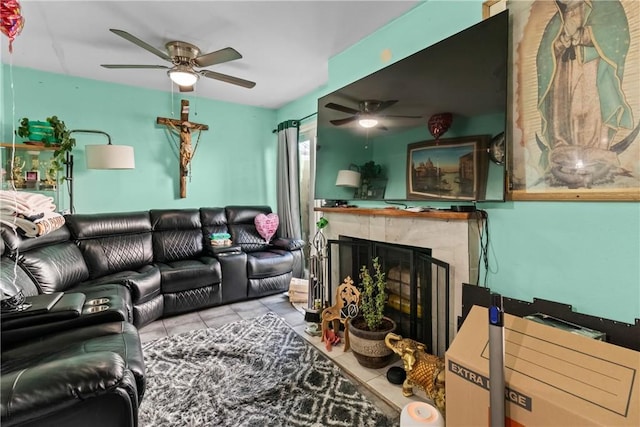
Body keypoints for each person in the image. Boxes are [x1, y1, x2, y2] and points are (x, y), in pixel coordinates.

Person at [536, 0, 634, 159]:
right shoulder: (557, 19)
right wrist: (561, 42)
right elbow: (544, 54)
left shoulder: (605, 6)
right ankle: (563, 148)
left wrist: (580, 34)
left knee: (588, 107)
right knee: (562, 110)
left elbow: (614, 34)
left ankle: (594, 149)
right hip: (562, 73)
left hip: (590, 70)